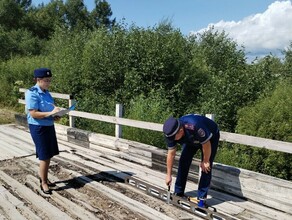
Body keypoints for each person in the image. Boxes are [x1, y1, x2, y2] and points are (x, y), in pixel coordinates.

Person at [163, 114, 220, 207]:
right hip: (190, 139)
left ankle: (201, 199)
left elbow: (206, 144)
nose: (172, 140)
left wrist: (205, 161)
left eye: (174, 138)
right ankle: (178, 192)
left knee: (206, 167)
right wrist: (168, 175)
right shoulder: (170, 133)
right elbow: (171, 153)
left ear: (180, 131)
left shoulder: (195, 126)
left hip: (209, 137)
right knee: (183, 161)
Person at [25, 68, 61, 194]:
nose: (48, 83)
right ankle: (43, 183)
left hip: (48, 125)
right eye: (46, 80)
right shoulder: (32, 93)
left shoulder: (46, 93)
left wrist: (55, 115)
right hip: (38, 127)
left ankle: (44, 177)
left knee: (49, 154)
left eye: (49, 80)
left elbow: (49, 110)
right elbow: (34, 113)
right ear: (38, 80)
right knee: (44, 155)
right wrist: (50, 113)